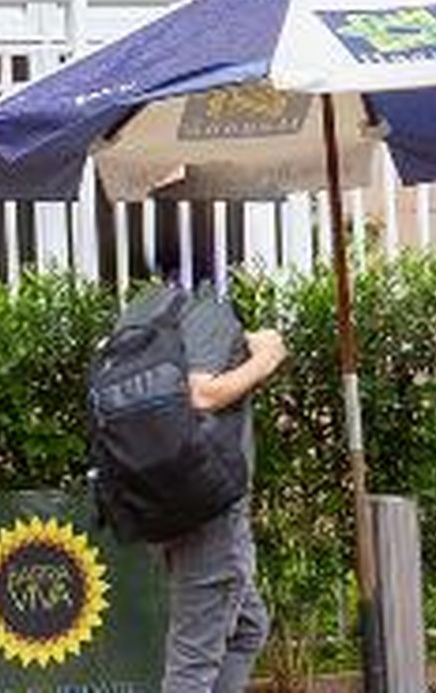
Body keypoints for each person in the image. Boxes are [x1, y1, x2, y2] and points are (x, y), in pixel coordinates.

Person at [159, 283, 285, 693]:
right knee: (193, 664)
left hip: (170, 498)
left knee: (248, 627)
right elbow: (203, 392)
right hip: (212, 508)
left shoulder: (154, 312)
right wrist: (266, 358)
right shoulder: (207, 309)